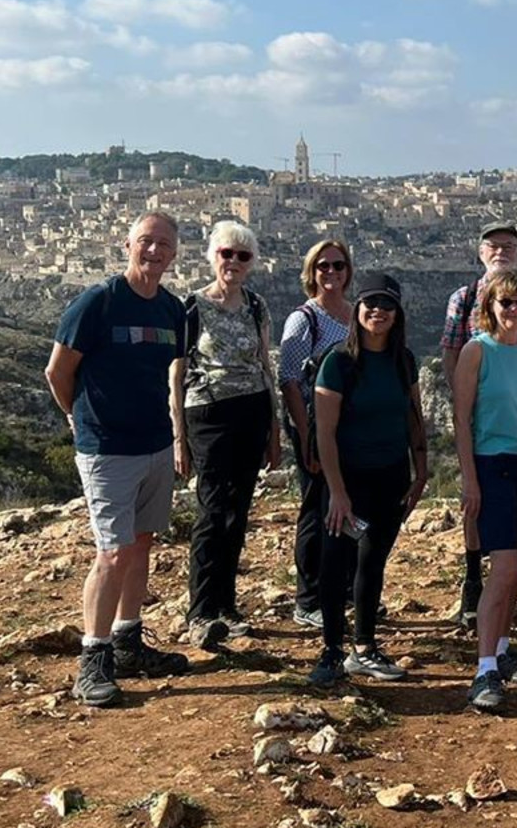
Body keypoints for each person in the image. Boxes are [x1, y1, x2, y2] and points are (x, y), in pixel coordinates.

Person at [45, 211, 193, 707]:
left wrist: (175, 436)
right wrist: (78, 418)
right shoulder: (98, 302)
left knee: (141, 543)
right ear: (127, 245)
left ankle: (128, 641)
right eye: (146, 241)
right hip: (107, 448)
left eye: (164, 245)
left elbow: (172, 374)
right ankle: (94, 657)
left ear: (174, 255)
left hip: (155, 444)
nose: (154, 251)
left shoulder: (171, 310)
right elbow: (57, 371)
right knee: (111, 552)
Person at [307, 273, 431, 686]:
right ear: (357, 309)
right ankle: (331, 650)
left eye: (387, 305)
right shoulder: (339, 362)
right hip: (347, 478)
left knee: (372, 560)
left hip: (390, 476)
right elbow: (325, 433)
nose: (378, 311)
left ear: (398, 314)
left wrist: (421, 468)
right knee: (335, 561)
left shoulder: (404, 360)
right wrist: (337, 492)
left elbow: (413, 417)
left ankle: (364, 647)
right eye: (371, 304)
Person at [171, 220, 282, 652]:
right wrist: (179, 437)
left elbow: (265, 365)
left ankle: (227, 606)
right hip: (208, 413)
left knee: (238, 510)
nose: (233, 262)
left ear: (251, 263)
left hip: (252, 410)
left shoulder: (256, 305)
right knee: (212, 509)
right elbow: (177, 373)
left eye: (242, 255)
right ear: (212, 256)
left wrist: (273, 429)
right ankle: (201, 610)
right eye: (226, 253)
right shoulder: (192, 306)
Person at [452, 269, 517, 711]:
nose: (514, 309)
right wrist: (469, 479)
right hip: (494, 464)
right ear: (490, 307)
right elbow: (461, 419)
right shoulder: (476, 351)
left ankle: (503, 647)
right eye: (505, 302)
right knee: (505, 567)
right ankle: (484, 669)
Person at [441, 224, 517, 628]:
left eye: (509, 245)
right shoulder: (464, 297)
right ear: (481, 251)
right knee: (476, 502)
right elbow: (451, 349)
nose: (501, 250)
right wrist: (464, 397)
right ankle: (474, 579)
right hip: (482, 410)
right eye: (494, 245)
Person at [277, 238, 355, 629]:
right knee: (316, 508)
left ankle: (346, 590)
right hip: (314, 426)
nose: (331, 272)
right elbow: (289, 380)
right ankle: (308, 599)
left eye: (338, 265)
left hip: (352, 427)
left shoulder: (356, 314)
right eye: (323, 265)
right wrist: (307, 437)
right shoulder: (303, 319)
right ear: (311, 272)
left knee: (350, 506)